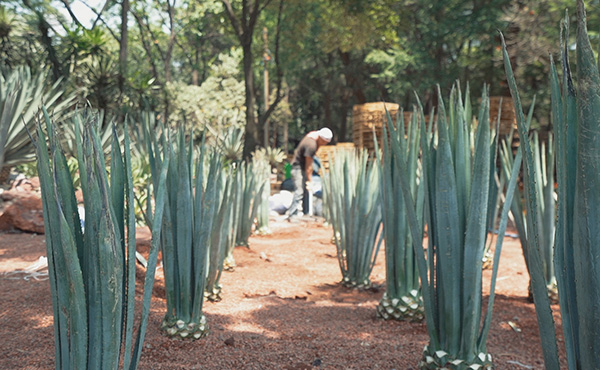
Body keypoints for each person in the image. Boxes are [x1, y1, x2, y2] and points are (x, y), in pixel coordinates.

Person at [286, 127, 333, 221]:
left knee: (305, 191)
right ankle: (292, 214)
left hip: (300, 168)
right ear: (321, 138)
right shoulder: (311, 145)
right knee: (299, 191)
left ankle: (306, 213)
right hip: (298, 169)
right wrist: (309, 180)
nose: (324, 144)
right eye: (324, 142)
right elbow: (309, 165)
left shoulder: (312, 137)